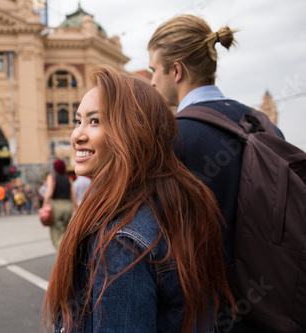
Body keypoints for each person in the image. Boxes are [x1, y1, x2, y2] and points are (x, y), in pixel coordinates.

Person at [43, 65, 235, 332]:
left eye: (95, 121)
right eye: (78, 121)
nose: (78, 135)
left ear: (133, 131)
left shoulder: (123, 241)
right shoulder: (179, 205)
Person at [147, 15, 283, 332]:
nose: (152, 81)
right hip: (274, 302)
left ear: (176, 70)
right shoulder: (263, 123)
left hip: (208, 314)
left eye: (154, 69)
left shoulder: (173, 138)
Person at [42, 158, 77, 250]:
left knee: (57, 232)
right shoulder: (68, 179)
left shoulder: (52, 177)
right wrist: (75, 207)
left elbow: (49, 192)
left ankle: (63, 254)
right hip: (67, 206)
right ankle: (67, 250)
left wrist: (44, 206)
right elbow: (74, 195)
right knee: (65, 230)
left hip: (56, 206)